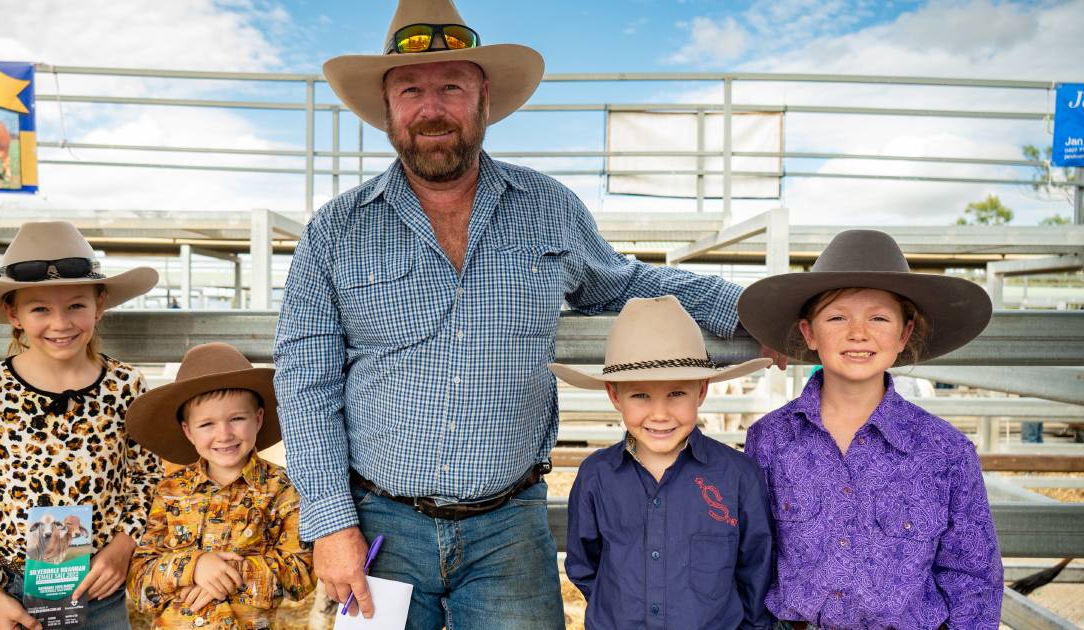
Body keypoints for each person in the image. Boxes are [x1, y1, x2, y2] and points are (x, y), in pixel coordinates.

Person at [275, 1, 782, 627]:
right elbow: (306, 381)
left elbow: (622, 284)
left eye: (451, 87)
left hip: (508, 525)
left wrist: (756, 309)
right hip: (381, 521)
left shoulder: (548, 208)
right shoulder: (335, 231)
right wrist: (330, 523)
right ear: (387, 106)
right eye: (411, 90)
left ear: (484, 97)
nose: (431, 108)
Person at [739, 229, 1003, 628]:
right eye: (837, 317)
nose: (858, 333)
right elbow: (751, 557)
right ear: (809, 333)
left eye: (878, 317)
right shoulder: (771, 440)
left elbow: (973, 576)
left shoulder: (945, 451)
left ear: (904, 334)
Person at [0, 221, 163, 630]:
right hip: (9, 594)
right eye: (40, 308)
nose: (61, 324)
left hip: (99, 591)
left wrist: (124, 546)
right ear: (13, 313)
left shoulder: (125, 386)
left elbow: (146, 479)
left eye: (76, 305)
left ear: (100, 305)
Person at [554, 296, 774, 629]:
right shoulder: (596, 476)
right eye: (640, 395)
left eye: (676, 394)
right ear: (615, 396)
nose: (659, 414)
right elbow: (585, 565)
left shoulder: (737, 476)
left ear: (701, 392)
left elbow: (755, 568)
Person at [125, 342, 316, 628]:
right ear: (188, 432)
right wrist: (193, 567)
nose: (224, 434)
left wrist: (226, 574)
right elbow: (139, 581)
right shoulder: (169, 492)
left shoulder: (285, 489)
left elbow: (301, 574)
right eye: (207, 425)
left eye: (237, 419)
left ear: (258, 419)